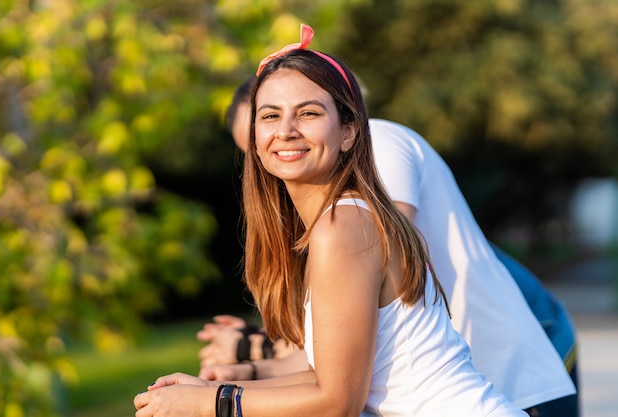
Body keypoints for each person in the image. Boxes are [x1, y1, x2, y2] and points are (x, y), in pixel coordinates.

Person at [134, 23, 527, 417]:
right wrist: (217, 386)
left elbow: (337, 403)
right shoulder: (338, 220)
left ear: (349, 132)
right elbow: (321, 375)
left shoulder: (343, 226)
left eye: (308, 113)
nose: (286, 131)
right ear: (253, 135)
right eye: (270, 115)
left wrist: (213, 404)